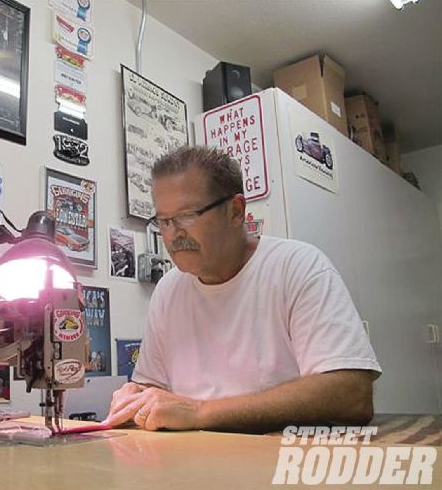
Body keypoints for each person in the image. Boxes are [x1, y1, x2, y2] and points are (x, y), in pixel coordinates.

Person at [106, 146, 381, 432]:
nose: (174, 234)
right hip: (191, 464)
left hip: (282, 463)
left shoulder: (297, 267)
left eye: (188, 215)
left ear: (236, 211)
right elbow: (152, 384)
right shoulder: (168, 290)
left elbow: (351, 394)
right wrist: (136, 398)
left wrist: (202, 412)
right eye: (164, 221)